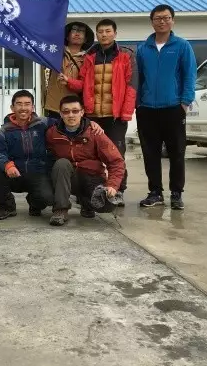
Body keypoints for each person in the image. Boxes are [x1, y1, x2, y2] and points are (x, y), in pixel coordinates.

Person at [65, 18, 137, 206]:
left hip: (115, 117)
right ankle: (93, 188)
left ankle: (119, 190)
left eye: (107, 31)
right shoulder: (90, 56)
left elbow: (131, 86)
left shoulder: (126, 55)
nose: (104, 35)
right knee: (91, 154)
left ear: (115, 33)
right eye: (100, 32)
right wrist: (69, 82)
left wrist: (126, 113)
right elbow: (83, 84)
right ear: (96, 34)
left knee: (116, 154)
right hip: (93, 115)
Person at [136, 4, 197, 210]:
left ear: (173, 20)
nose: (162, 21)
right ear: (151, 22)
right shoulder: (143, 49)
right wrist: (138, 103)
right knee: (150, 153)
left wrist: (185, 102)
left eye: (166, 18)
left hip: (173, 108)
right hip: (147, 109)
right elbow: (139, 78)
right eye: (158, 18)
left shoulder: (182, 46)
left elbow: (190, 75)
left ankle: (176, 193)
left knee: (176, 153)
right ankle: (155, 192)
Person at [46, 95, 126, 226]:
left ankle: (86, 203)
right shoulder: (52, 133)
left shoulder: (94, 132)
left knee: (106, 205)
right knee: (61, 164)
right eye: (66, 111)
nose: (71, 115)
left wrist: (112, 185)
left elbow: (116, 161)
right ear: (60, 113)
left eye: (75, 111)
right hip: (68, 177)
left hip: (91, 177)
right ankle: (61, 210)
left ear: (82, 112)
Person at [0, 90, 56, 220]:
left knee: (47, 198)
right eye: (19, 104)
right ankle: (7, 206)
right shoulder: (5, 130)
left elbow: (67, 122)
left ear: (33, 107)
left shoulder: (43, 123)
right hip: (14, 174)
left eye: (27, 104)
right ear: (12, 108)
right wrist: (7, 165)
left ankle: (35, 202)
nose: (23, 108)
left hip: (37, 172)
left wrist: (89, 123)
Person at [43, 21, 94, 118]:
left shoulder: (88, 60)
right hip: (54, 107)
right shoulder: (55, 52)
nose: (77, 33)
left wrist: (68, 81)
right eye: (74, 30)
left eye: (81, 31)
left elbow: (85, 85)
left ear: (85, 39)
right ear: (67, 36)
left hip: (74, 109)